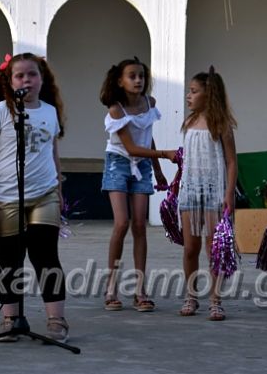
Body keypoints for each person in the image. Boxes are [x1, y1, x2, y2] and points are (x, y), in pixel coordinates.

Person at [0, 52, 69, 342]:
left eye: (32, 74)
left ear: (42, 79)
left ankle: (56, 319)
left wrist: (59, 188)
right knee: (10, 258)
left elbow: (53, 152)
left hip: (44, 193)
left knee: (45, 254)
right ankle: (11, 318)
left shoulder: (50, 112)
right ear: (9, 80)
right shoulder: (1, 111)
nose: (26, 79)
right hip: (6, 196)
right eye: (20, 75)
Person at [99, 56, 173, 312]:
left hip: (142, 165)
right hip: (118, 163)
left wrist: (158, 169)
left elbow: (147, 137)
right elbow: (130, 146)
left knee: (140, 225)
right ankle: (111, 287)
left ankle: (140, 290)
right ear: (120, 81)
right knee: (122, 223)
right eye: (132, 76)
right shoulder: (116, 109)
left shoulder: (149, 103)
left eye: (141, 76)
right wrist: (165, 154)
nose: (138, 80)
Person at [178, 67, 237, 321]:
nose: (188, 96)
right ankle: (191, 295)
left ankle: (216, 298)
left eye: (193, 91)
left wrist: (229, 193)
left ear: (208, 94)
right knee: (190, 247)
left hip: (214, 192)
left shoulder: (221, 124)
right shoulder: (189, 122)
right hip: (190, 191)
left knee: (213, 248)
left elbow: (232, 161)